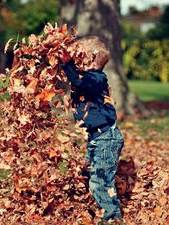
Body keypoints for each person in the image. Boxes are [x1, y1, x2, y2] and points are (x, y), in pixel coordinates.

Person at [61, 36, 125, 223]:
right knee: (89, 171)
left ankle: (113, 216)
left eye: (78, 57)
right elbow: (79, 86)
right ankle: (94, 202)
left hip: (107, 138)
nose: (75, 61)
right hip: (97, 139)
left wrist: (67, 65)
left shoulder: (97, 78)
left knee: (100, 180)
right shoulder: (89, 81)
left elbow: (80, 81)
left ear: (90, 58)